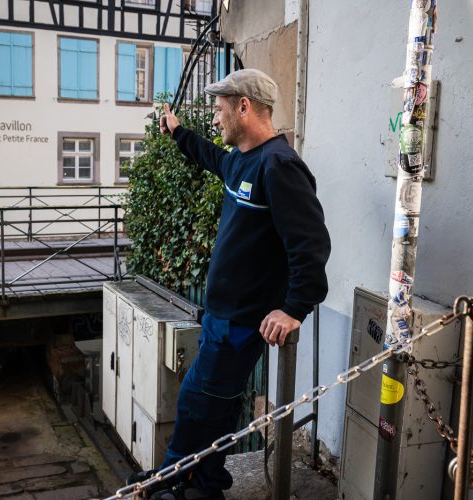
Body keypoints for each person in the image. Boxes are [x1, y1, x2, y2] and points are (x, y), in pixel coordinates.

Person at [132, 69, 331, 500]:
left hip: (240, 324)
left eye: (220, 110)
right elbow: (209, 156)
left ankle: (166, 484)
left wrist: (294, 308)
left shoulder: (279, 166)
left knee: (195, 405)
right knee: (214, 409)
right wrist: (178, 132)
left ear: (244, 107)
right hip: (219, 317)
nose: (216, 119)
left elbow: (311, 245)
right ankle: (202, 484)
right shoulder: (241, 159)